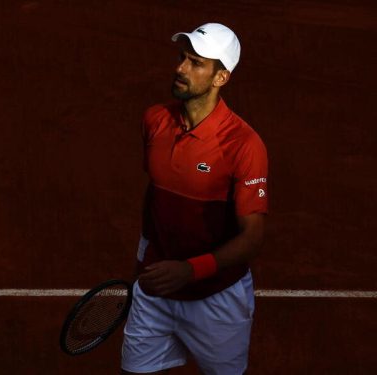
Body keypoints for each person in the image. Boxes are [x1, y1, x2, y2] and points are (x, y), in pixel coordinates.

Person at [121, 23, 268, 374]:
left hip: (217, 298)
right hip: (156, 288)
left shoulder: (244, 146)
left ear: (221, 78)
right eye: (182, 58)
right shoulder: (155, 120)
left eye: (195, 63)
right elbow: (155, 194)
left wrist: (190, 270)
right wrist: (145, 253)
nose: (180, 69)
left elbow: (253, 237)